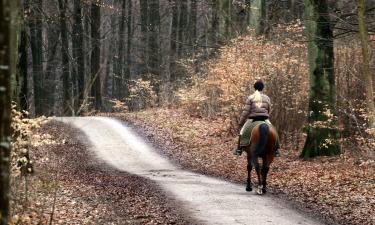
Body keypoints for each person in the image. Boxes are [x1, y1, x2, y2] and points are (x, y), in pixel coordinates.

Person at [233, 80, 280, 156]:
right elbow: (269, 109)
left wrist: (241, 122)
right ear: (262, 88)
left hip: (252, 119)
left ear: (254, 88)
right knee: (274, 131)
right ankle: (276, 149)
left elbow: (246, 111)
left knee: (242, 132)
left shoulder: (251, 97)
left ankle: (239, 149)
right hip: (264, 119)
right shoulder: (267, 97)